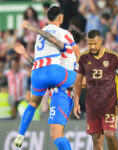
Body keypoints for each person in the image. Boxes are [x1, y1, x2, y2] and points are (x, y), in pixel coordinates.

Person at [13, 6, 78, 149]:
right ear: (60, 18)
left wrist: (25, 55)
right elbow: (55, 41)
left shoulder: (39, 38)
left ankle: (20, 134)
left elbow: (39, 62)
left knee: (33, 104)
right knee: (83, 78)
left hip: (38, 74)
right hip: (55, 81)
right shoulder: (66, 40)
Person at [73, 30, 118, 150]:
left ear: (101, 41)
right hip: (92, 105)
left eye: (95, 44)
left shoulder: (114, 57)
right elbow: (77, 82)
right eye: (90, 44)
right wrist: (76, 102)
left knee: (109, 133)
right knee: (96, 139)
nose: (92, 47)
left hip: (109, 104)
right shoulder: (82, 58)